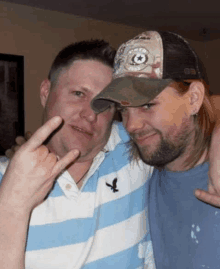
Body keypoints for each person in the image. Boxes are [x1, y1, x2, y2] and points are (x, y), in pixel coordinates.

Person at [0, 40, 155, 269]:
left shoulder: (137, 146)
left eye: (104, 104)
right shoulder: (6, 182)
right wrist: (12, 207)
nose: (90, 115)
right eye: (79, 93)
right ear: (45, 92)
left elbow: (190, 115)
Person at [91, 30, 220, 268]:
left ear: (193, 99)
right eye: (124, 109)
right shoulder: (135, 166)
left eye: (148, 105)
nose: (132, 125)